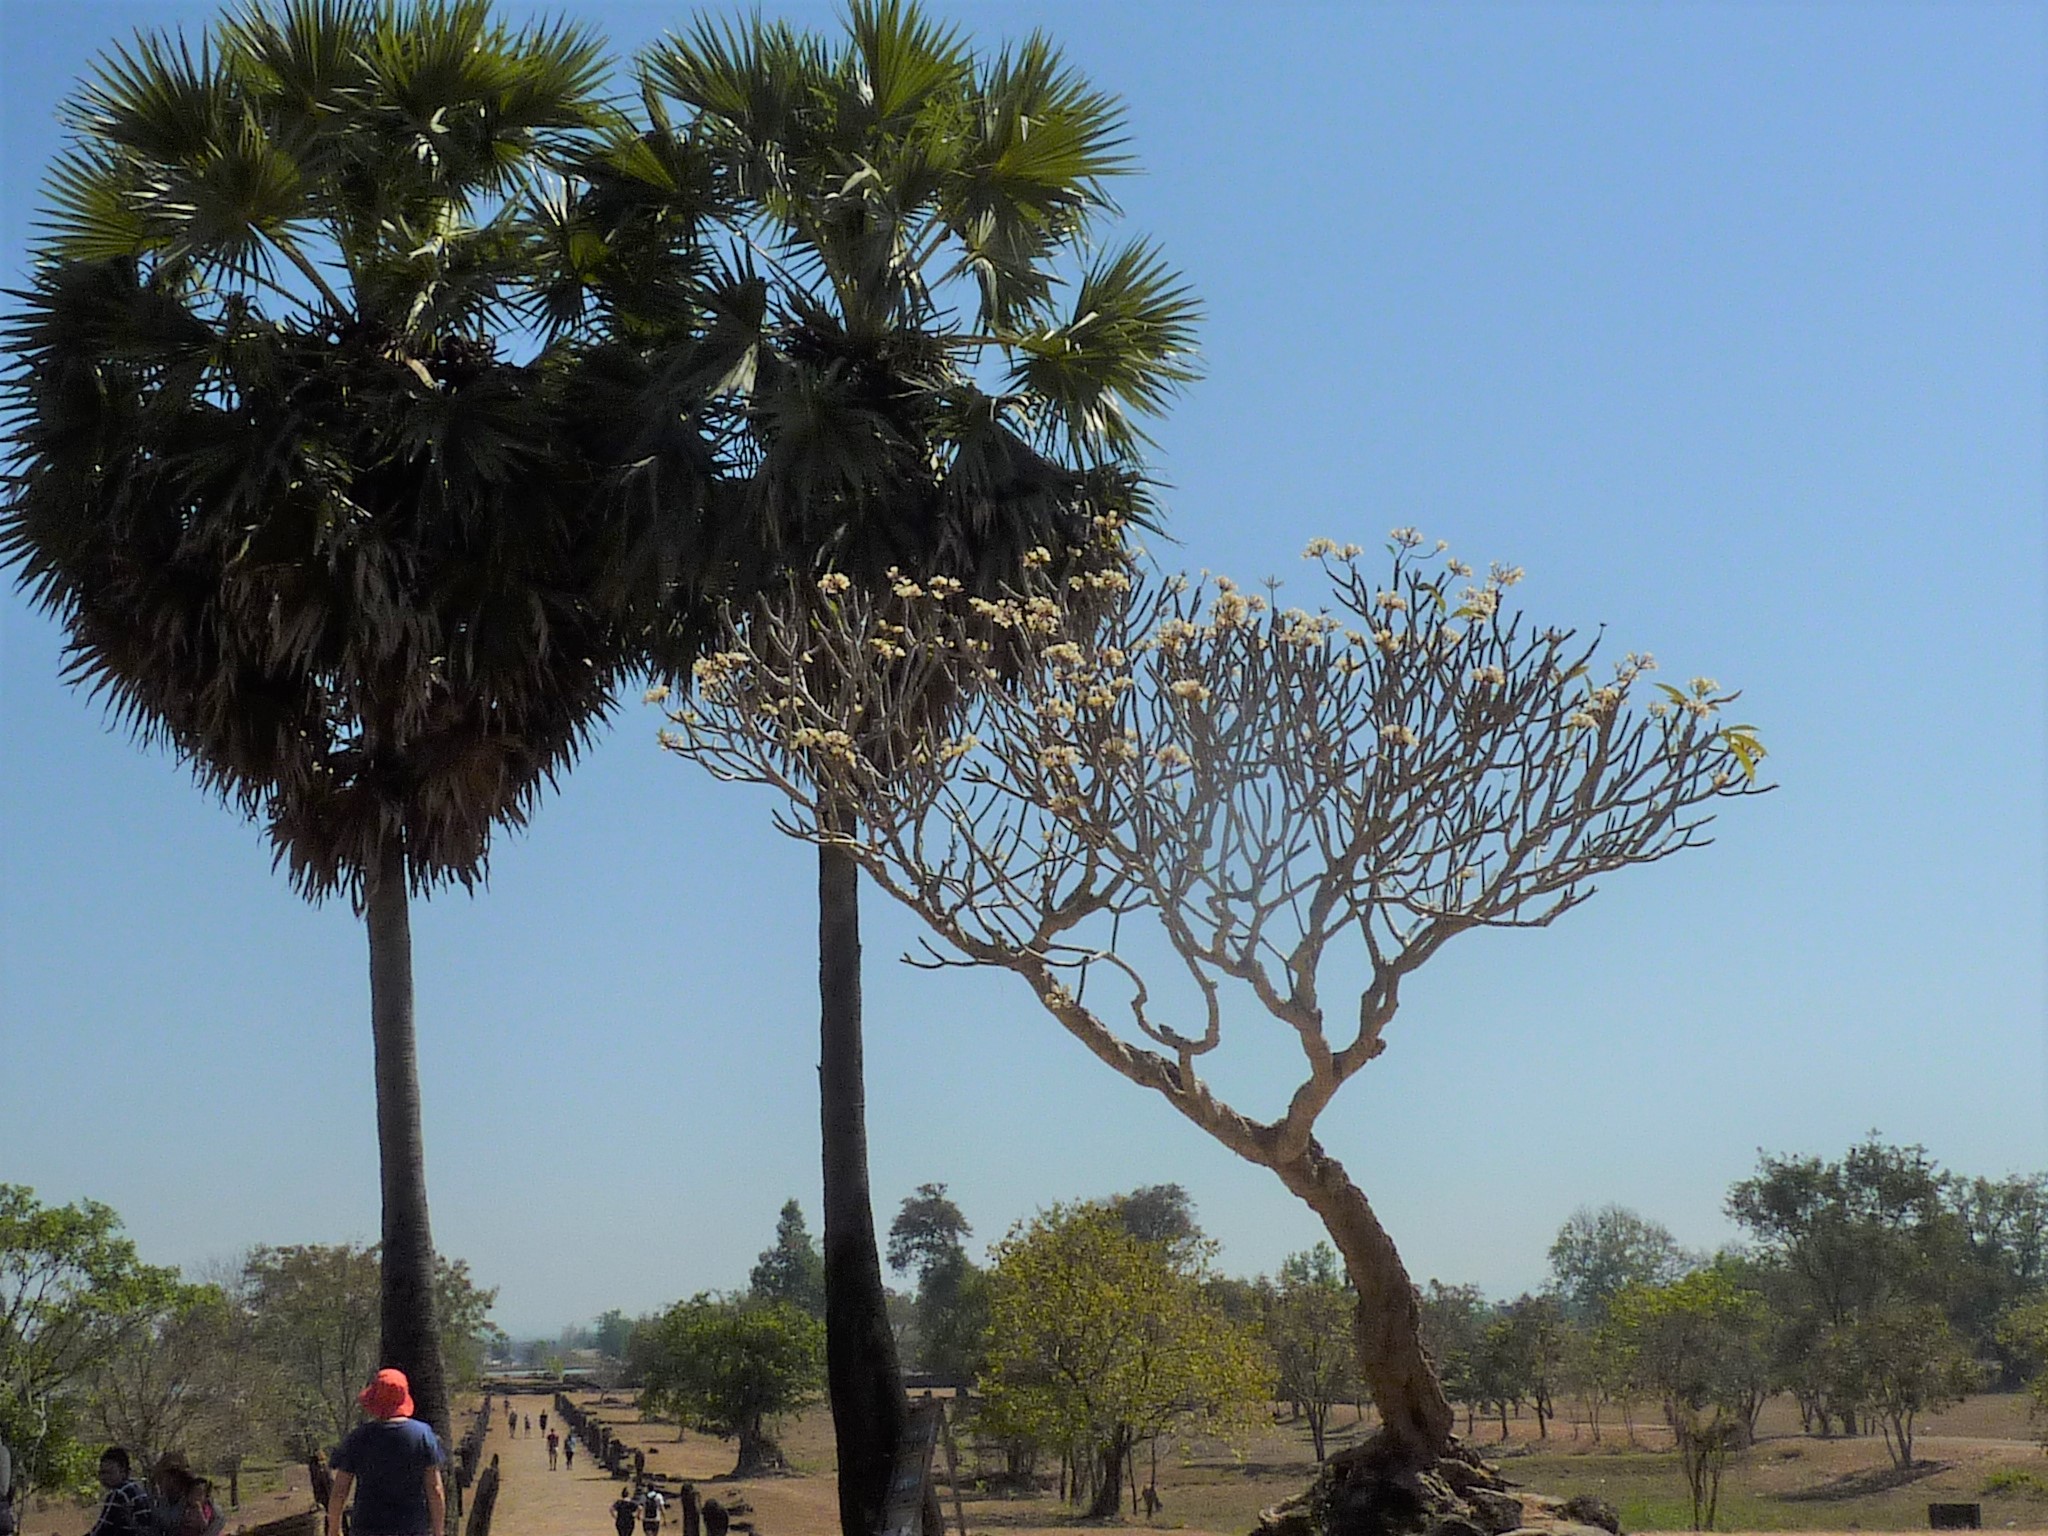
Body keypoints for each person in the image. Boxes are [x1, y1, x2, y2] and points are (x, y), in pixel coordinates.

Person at [328, 1370, 447, 1536]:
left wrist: (334, 1529)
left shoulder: (359, 1437)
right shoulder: (423, 1435)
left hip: (367, 1529)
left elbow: (340, 1490)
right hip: (411, 1529)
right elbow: (435, 1489)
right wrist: (438, 1531)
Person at [85, 1449, 153, 1536]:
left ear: (122, 1471)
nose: (104, 1477)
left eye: (109, 1473)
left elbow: (102, 1530)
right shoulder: (139, 1489)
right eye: (101, 1473)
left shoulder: (119, 1494)